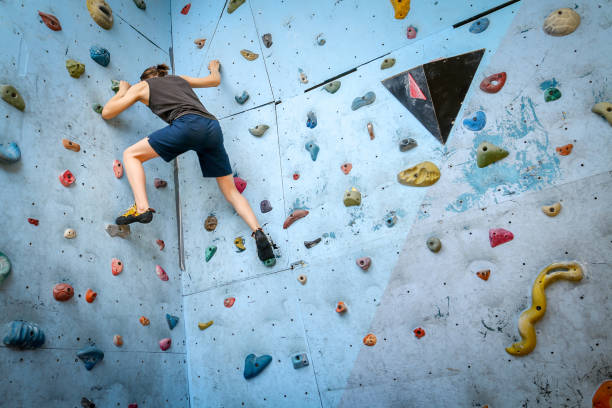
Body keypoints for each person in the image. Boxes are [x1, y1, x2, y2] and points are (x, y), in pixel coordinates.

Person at [101, 60, 275, 266]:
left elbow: (107, 112)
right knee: (230, 191)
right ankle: (258, 232)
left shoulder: (142, 86)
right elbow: (214, 80)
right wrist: (213, 67)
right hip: (212, 128)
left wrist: (122, 90)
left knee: (131, 155)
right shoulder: (178, 79)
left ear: (147, 79)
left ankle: (142, 208)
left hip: (187, 125)